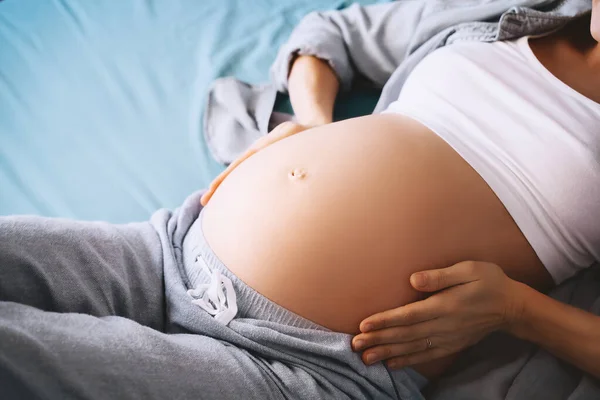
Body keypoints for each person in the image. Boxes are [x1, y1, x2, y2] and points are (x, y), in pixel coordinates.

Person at [0, 2, 598, 400]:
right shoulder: (513, 13)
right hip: (169, 248)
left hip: (305, 368)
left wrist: (516, 310)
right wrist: (315, 121)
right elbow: (331, 33)